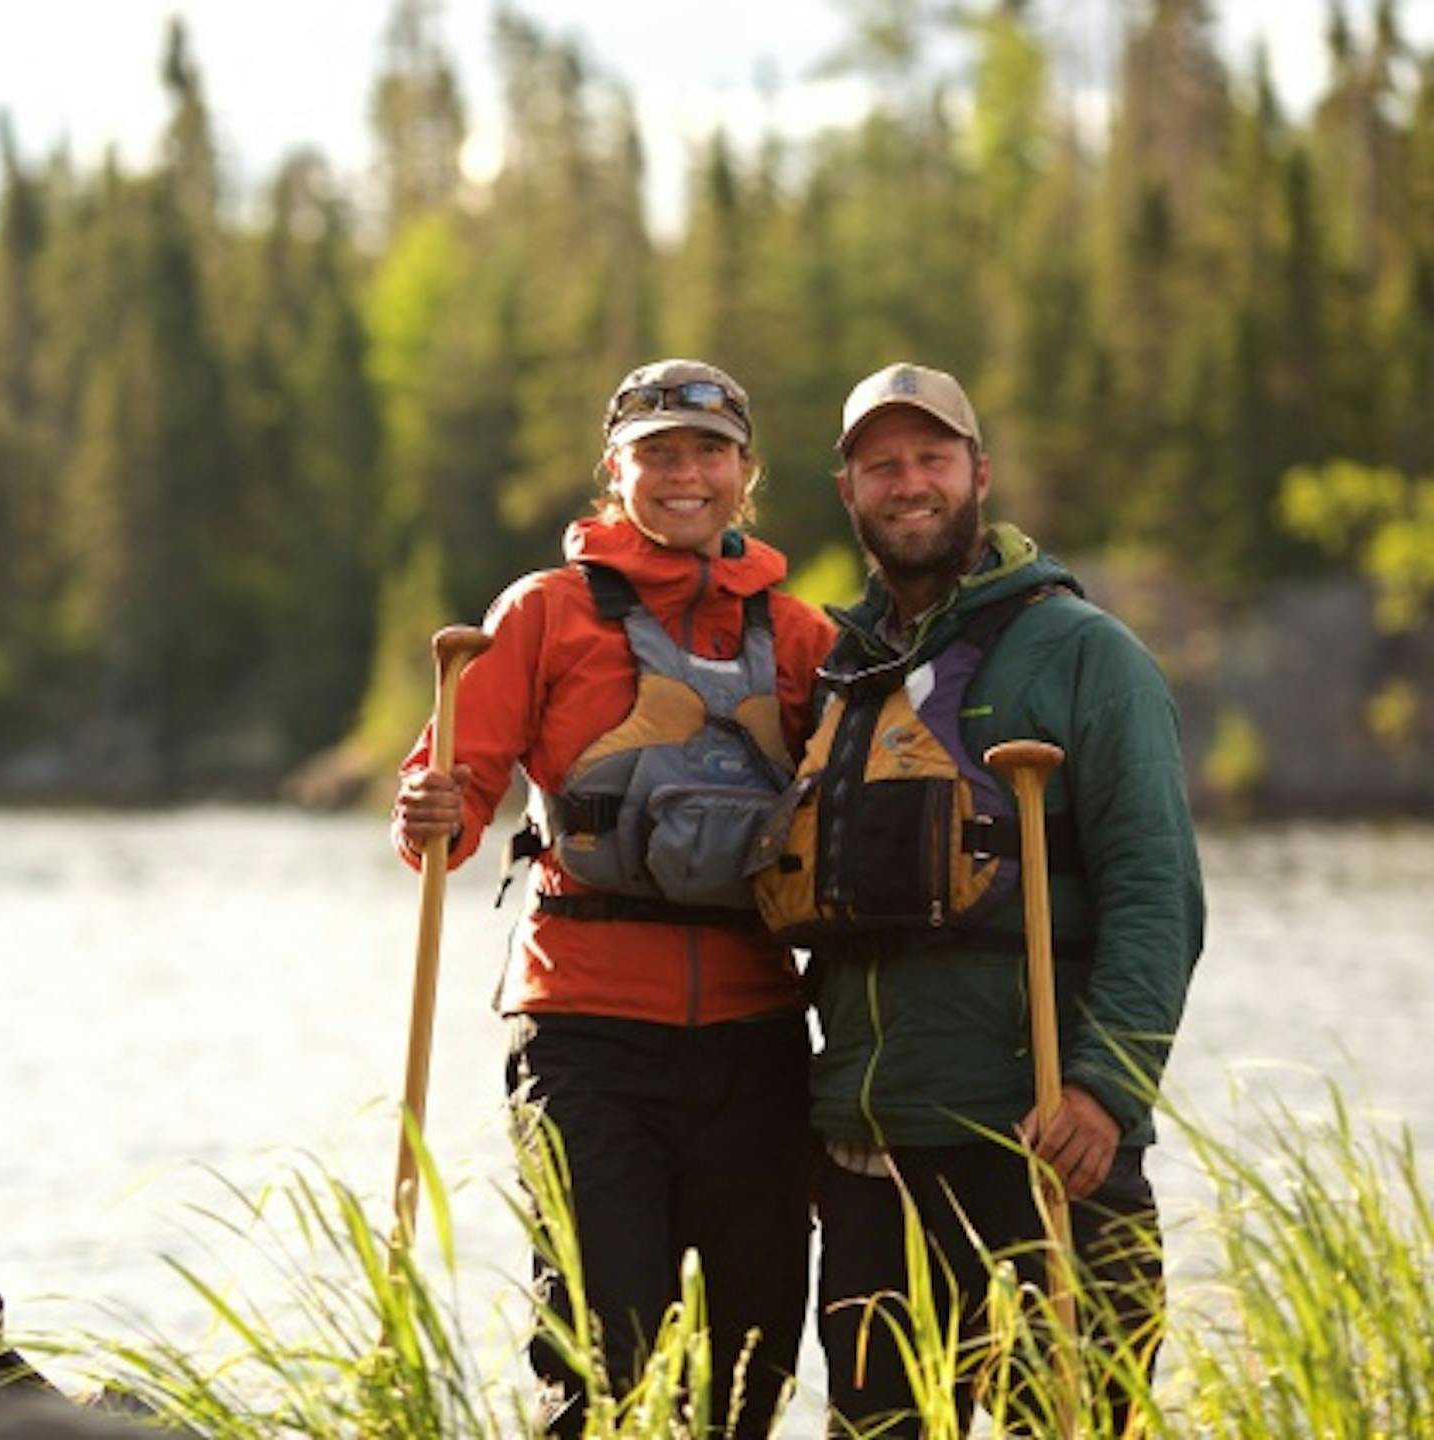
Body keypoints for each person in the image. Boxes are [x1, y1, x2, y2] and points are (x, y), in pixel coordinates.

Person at [752, 362, 1204, 1436]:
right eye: (881, 465)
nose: (910, 483)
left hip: (1041, 1140)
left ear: (980, 474)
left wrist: (1105, 1090)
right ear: (850, 492)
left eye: (932, 458)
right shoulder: (843, 674)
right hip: (867, 1153)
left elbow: (1159, 895)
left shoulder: (1086, 655)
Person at [391, 358, 836, 1439]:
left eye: (709, 453)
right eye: (659, 455)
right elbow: (444, 825)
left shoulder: (805, 636)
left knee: (751, 1362)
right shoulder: (543, 612)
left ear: (746, 471)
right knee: (603, 1356)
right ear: (615, 472)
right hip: (585, 1033)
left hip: (757, 1037)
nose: (686, 475)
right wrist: (429, 810)